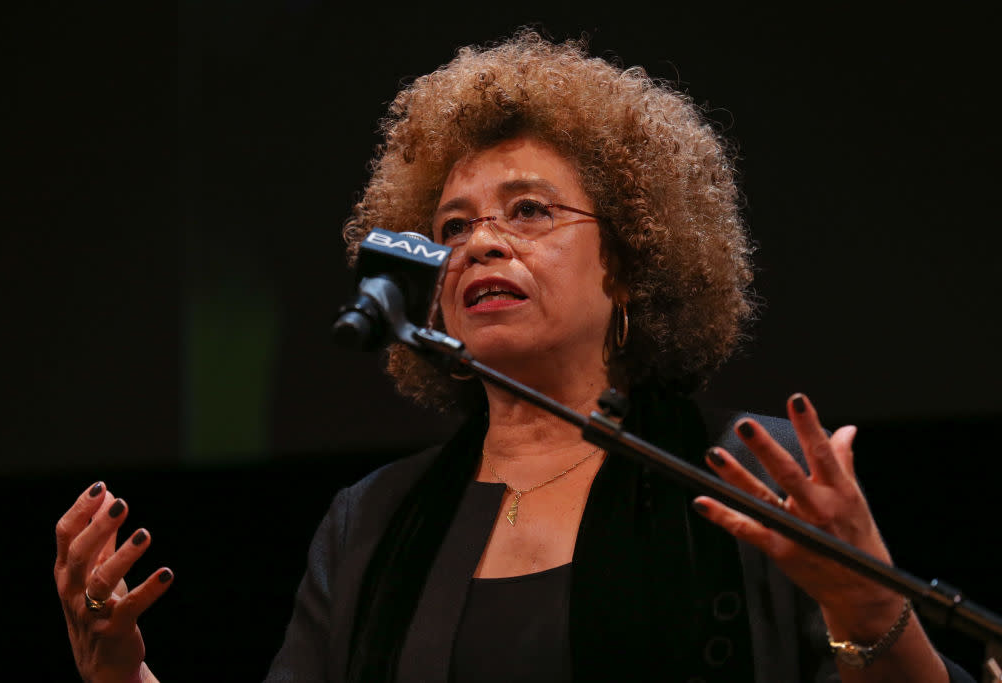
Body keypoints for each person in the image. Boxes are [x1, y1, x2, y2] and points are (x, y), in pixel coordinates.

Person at [54, 30, 976, 682]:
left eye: (529, 211)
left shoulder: (752, 476)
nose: (481, 244)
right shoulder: (372, 521)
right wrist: (118, 673)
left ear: (631, 259)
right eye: (452, 227)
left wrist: (865, 609)